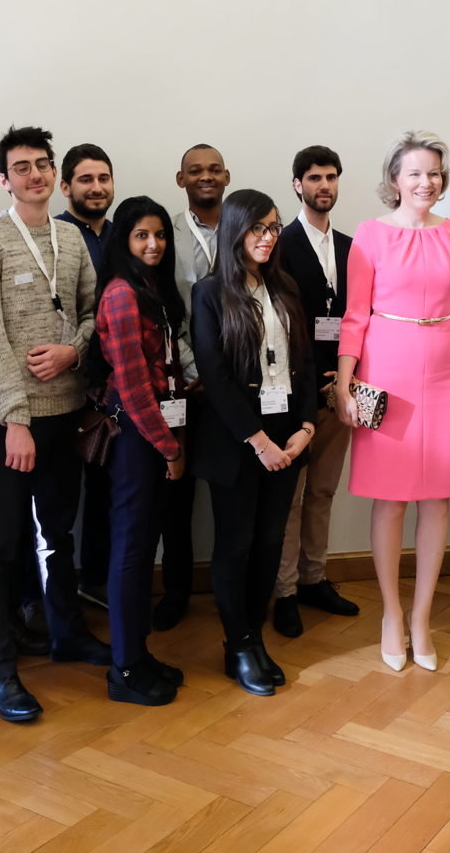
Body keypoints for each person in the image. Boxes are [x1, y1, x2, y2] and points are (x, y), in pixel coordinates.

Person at [0, 125, 111, 722]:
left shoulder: (72, 238)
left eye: (43, 165)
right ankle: (1, 671)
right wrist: (14, 420)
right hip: (9, 422)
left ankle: (66, 631)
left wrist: (74, 351)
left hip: (67, 413)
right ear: (3, 179)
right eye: (21, 167)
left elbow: (90, 311)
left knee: (59, 532)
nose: (35, 175)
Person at [335, 131, 450, 672]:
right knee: (391, 499)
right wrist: (344, 384)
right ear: (395, 180)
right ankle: (392, 615)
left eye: (435, 173)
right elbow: (354, 318)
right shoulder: (370, 237)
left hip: (448, 372)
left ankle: (422, 617)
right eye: (416, 173)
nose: (427, 182)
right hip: (387, 372)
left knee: (437, 499)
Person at [191, 189, 317, 695]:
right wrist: (258, 439)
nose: (267, 238)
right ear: (235, 231)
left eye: (273, 228)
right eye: (257, 228)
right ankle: (237, 644)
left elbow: (304, 364)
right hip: (238, 441)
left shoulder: (285, 287)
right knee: (236, 544)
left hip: (287, 437)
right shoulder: (208, 292)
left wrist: (305, 427)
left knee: (270, 542)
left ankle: (254, 638)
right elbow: (214, 375)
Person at [89, 196, 188, 705]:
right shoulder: (122, 294)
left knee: (143, 545)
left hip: (154, 432)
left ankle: (138, 653)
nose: (153, 245)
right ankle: (123, 670)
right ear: (124, 241)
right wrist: (169, 447)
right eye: (141, 236)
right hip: (136, 437)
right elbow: (130, 384)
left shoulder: (153, 288)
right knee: (130, 552)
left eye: (160, 235)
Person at [272, 145, 360, 639]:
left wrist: (346, 378)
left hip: (341, 389)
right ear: (297, 185)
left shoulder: (353, 247)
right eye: (314, 178)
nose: (323, 186)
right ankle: (283, 591)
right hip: (293, 394)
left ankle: (314, 578)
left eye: (330, 177)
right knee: (291, 497)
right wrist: (307, 379)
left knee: (324, 491)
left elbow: (361, 317)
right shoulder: (279, 243)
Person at [155, 143, 231, 631]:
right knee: (175, 500)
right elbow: (166, 311)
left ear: (227, 176)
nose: (205, 177)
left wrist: (226, 380)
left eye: (213, 169)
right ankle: (177, 592)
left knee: (230, 496)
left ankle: (234, 593)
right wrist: (195, 373)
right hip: (184, 388)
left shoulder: (246, 230)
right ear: (181, 180)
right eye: (195, 171)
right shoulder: (167, 236)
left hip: (236, 389)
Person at [57, 143, 116, 610]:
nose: (96, 187)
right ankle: (49, 596)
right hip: (59, 385)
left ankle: (96, 580)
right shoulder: (53, 237)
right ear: (65, 186)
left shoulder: (125, 237)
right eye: (85, 179)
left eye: (103, 178)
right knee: (56, 498)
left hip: (114, 392)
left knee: (104, 491)